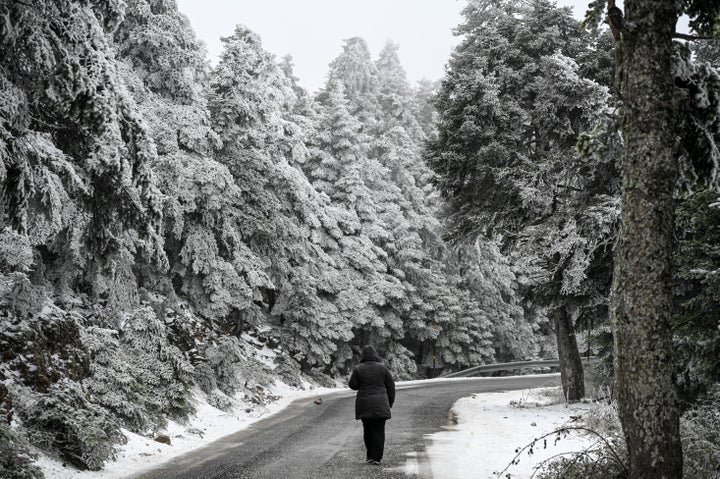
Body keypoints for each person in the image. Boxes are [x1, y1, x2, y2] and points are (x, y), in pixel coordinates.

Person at [348, 345, 396, 465]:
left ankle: (370, 455)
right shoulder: (383, 368)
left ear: (363, 356)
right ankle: (377, 458)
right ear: (375, 355)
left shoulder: (358, 369)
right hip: (381, 404)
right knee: (379, 431)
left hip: (364, 404)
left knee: (368, 430)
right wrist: (389, 402)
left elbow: (353, 385)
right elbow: (391, 387)